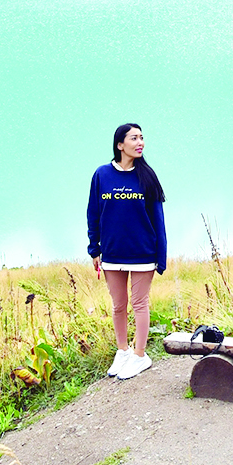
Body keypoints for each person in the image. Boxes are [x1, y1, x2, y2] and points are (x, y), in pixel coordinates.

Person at [87, 122, 167, 379]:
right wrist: (94, 249)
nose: (140, 142)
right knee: (118, 305)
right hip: (112, 254)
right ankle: (123, 351)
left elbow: (158, 220)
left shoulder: (147, 176)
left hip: (143, 253)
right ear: (120, 144)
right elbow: (93, 214)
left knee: (139, 304)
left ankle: (140, 356)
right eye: (134, 138)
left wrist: (161, 256)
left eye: (142, 138)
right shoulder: (101, 175)